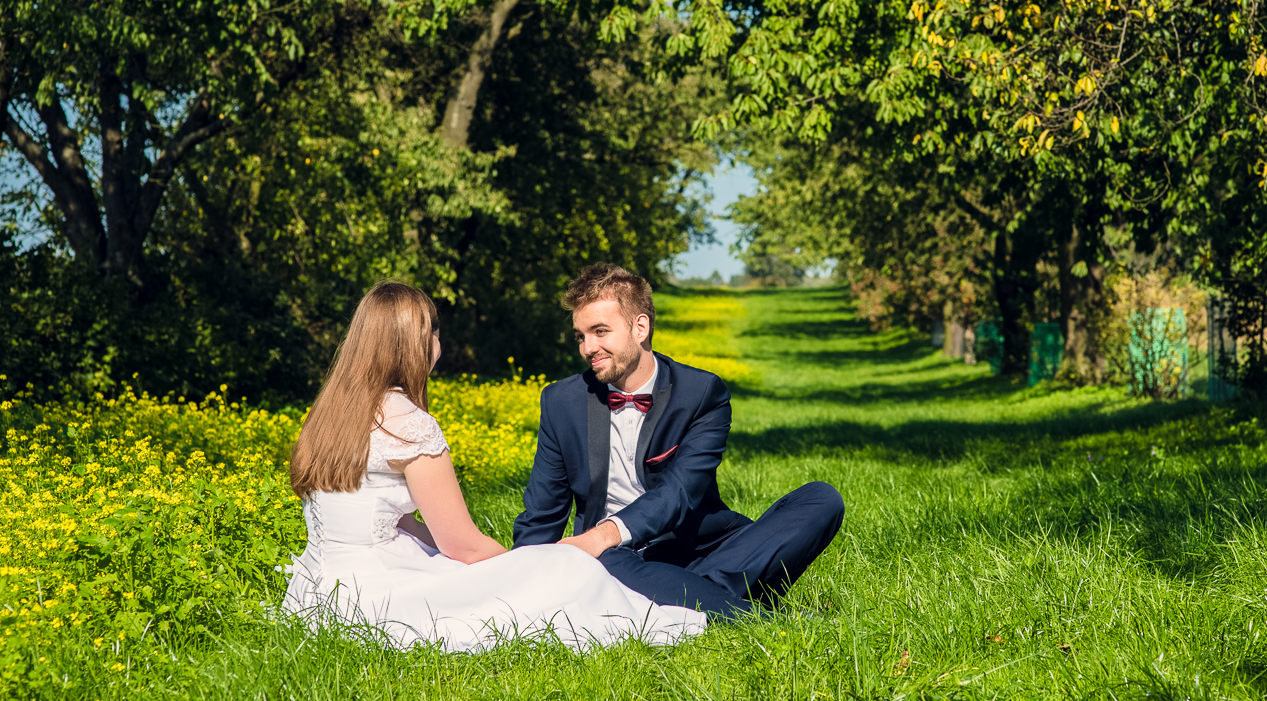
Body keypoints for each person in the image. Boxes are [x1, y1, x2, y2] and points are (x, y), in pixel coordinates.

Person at [281, 281, 706, 651]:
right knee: (568, 567)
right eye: (434, 331)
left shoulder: (330, 416)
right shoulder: (409, 425)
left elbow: (393, 523)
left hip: (317, 592)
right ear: (416, 343)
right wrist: (522, 566)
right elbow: (462, 546)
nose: (438, 344)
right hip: (378, 594)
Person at [513, 264, 845, 618]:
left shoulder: (701, 393)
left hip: (700, 546)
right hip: (619, 559)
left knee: (821, 499)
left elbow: (680, 492)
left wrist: (601, 534)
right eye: (581, 335)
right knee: (607, 565)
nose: (587, 347)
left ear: (640, 328)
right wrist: (519, 579)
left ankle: (687, 594)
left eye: (600, 331)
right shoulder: (561, 402)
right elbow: (542, 512)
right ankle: (750, 615)